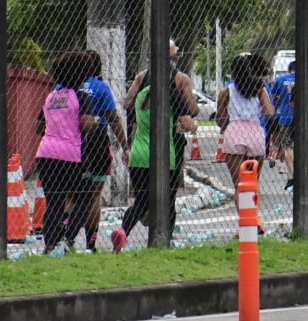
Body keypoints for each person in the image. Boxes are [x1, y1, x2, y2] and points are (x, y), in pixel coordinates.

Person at [112, 54, 199, 252]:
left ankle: (124, 231)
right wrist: (193, 126)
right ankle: (165, 238)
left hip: (139, 153)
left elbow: (127, 105)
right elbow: (188, 117)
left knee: (142, 200)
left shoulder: (141, 95)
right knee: (168, 198)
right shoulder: (172, 93)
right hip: (164, 155)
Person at [34, 50, 98, 254]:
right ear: (82, 73)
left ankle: (50, 244)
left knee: (54, 201)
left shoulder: (51, 97)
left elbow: (38, 127)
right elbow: (86, 125)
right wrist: (96, 121)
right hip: (70, 154)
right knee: (85, 196)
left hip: (45, 153)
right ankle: (68, 238)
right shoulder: (81, 96)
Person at [76, 50, 127, 252]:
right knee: (94, 195)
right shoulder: (101, 88)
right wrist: (125, 144)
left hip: (74, 143)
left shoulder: (69, 85)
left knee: (69, 194)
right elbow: (113, 118)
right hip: (96, 141)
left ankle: (63, 238)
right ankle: (91, 243)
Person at [216, 52, 275, 224]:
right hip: (255, 133)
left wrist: (228, 125)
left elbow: (220, 119)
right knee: (253, 182)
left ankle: (244, 223)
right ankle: (255, 220)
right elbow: (269, 112)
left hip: (234, 132)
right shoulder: (260, 89)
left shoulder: (227, 92)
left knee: (239, 185)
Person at [267, 59, 297, 188]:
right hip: (304, 118)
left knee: (287, 145)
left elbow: (272, 97)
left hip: (285, 116)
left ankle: (292, 174)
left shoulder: (280, 79)